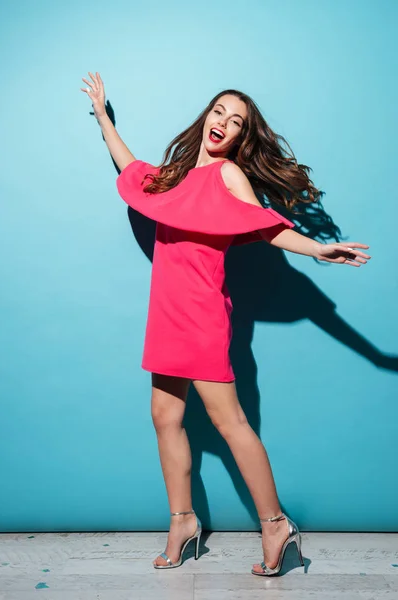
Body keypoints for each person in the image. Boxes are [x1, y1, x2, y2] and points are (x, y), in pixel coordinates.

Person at [81, 72, 371, 576]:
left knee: (231, 423)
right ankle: (183, 521)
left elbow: (268, 227)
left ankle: (275, 523)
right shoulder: (173, 176)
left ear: (240, 136)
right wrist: (105, 119)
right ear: (206, 116)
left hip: (202, 315)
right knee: (164, 418)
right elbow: (132, 169)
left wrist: (319, 249)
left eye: (236, 121)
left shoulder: (228, 176)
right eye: (220, 112)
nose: (224, 123)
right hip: (166, 313)